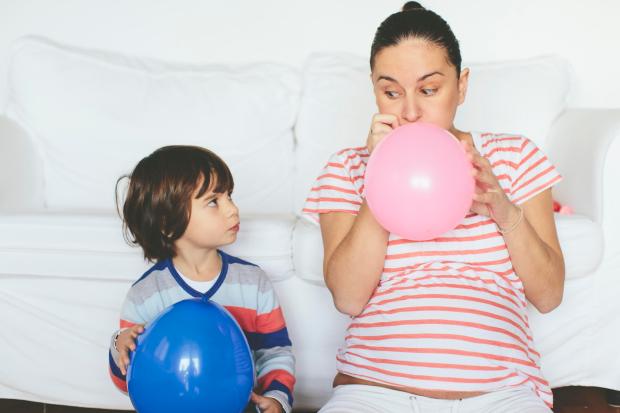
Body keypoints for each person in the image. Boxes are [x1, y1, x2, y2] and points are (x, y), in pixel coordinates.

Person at [303, 2, 565, 412]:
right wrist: (380, 176)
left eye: (428, 89)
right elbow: (349, 299)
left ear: (461, 86)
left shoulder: (514, 157)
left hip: (501, 397)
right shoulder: (348, 167)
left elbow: (549, 295)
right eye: (390, 92)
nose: (409, 111)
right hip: (374, 392)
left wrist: (504, 210)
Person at [108, 145, 295, 413]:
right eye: (213, 201)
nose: (233, 209)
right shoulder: (145, 294)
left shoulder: (254, 283)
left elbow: (276, 353)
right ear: (167, 222)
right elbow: (128, 382)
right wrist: (119, 344)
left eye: (229, 196)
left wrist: (278, 398)